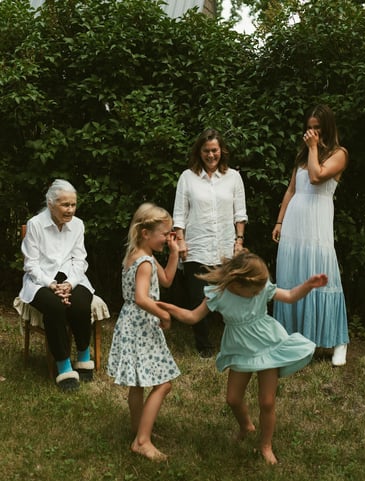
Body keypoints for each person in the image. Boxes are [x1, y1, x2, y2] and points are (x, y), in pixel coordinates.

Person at [157, 250, 327, 464]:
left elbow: (291, 296)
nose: (258, 293)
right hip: (239, 350)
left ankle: (265, 445)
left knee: (267, 402)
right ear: (237, 284)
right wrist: (167, 307)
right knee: (233, 399)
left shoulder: (260, 288)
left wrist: (308, 285)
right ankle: (246, 425)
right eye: (254, 290)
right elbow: (192, 317)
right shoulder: (218, 294)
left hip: (268, 347)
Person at [272, 104, 349, 366]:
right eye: (309, 127)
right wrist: (280, 221)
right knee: (293, 278)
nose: (312, 132)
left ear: (326, 128)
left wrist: (314, 147)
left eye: (317, 127)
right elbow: (292, 190)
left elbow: (316, 178)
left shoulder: (339, 154)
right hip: (295, 224)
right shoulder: (303, 156)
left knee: (322, 278)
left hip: (317, 226)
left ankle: (339, 341)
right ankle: (294, 339)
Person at [107, 202, 180, 462]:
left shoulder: (138, 255)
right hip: (141, 325)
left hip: (131, 324)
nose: (168, 238)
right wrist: (164, 314)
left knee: (138, 383)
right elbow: (141, 297)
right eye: (165, 234)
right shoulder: (145, 262)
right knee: (164, 383)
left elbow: (168, 281)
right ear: (145, 233)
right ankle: (142, 441)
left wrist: (174, 253)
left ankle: (139, 430)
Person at [173, 128, 248, 358]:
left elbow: (240, 213)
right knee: (198, 298)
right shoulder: (187, 177)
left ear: (221, 151)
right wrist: (181, 241)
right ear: (199, 152)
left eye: (214, 150)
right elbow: (179, 214)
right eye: (206, 151)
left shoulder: (233, 177)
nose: (211, 155)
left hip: (226, 247)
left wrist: (239, 241)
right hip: (197, 246)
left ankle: (232, 343)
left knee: (230, 297)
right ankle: (204, 346)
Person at [19, 179, 95, 391]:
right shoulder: (35, 224)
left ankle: (83, 357)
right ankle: (64, 367)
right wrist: (51, 285)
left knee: (81, 301)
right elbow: (31, 265)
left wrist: (69, 284)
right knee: (54, 306)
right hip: (41, 280)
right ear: (51, 204)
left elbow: (80, 261)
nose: (70, 210)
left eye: (73, 204)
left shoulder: (78, 224)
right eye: (65, 205)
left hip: (71, 277)